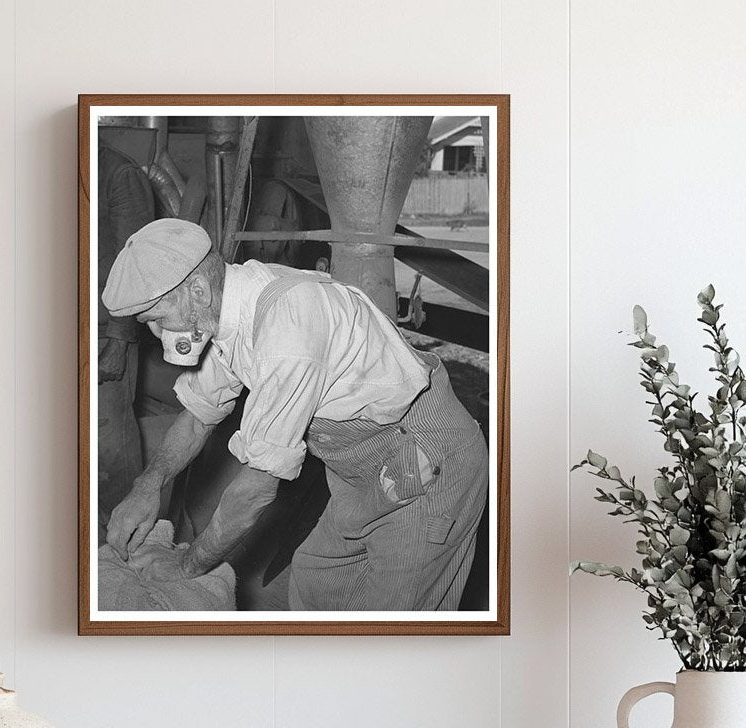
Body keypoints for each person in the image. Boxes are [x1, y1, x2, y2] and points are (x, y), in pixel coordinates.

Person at [101, 218, 489, 611]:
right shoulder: (226, 309)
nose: (157, 333)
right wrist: (147, 486)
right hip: (361, 471)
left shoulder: (285, 326)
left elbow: (254, 491)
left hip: (425, 461)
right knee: (317, 584)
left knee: (394, 618)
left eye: (157, 319)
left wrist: (186, 566)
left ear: (197, 291)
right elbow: (198, 416)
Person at [96, 144, 155, 544]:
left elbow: (135, 264)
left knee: (109, 447)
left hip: (103, 332)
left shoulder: (118, 173)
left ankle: (127, 544)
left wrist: (119, 339)